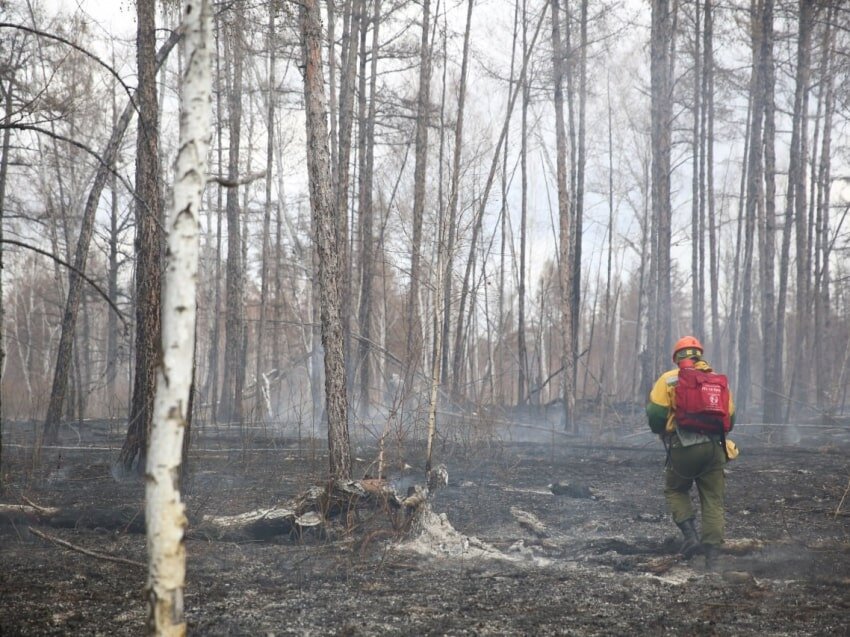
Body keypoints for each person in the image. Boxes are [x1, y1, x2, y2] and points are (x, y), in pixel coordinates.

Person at [646, 336, 735, 570]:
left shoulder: (668, 379)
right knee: (713, 500)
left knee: (675, 489)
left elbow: (655, 415)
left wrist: (662, 431)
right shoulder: (717, 380)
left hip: (682, 448)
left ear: (677, 358)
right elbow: (731, 418)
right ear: (699, 355)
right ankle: (713, 557)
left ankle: (691, 537)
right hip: (715, 449)